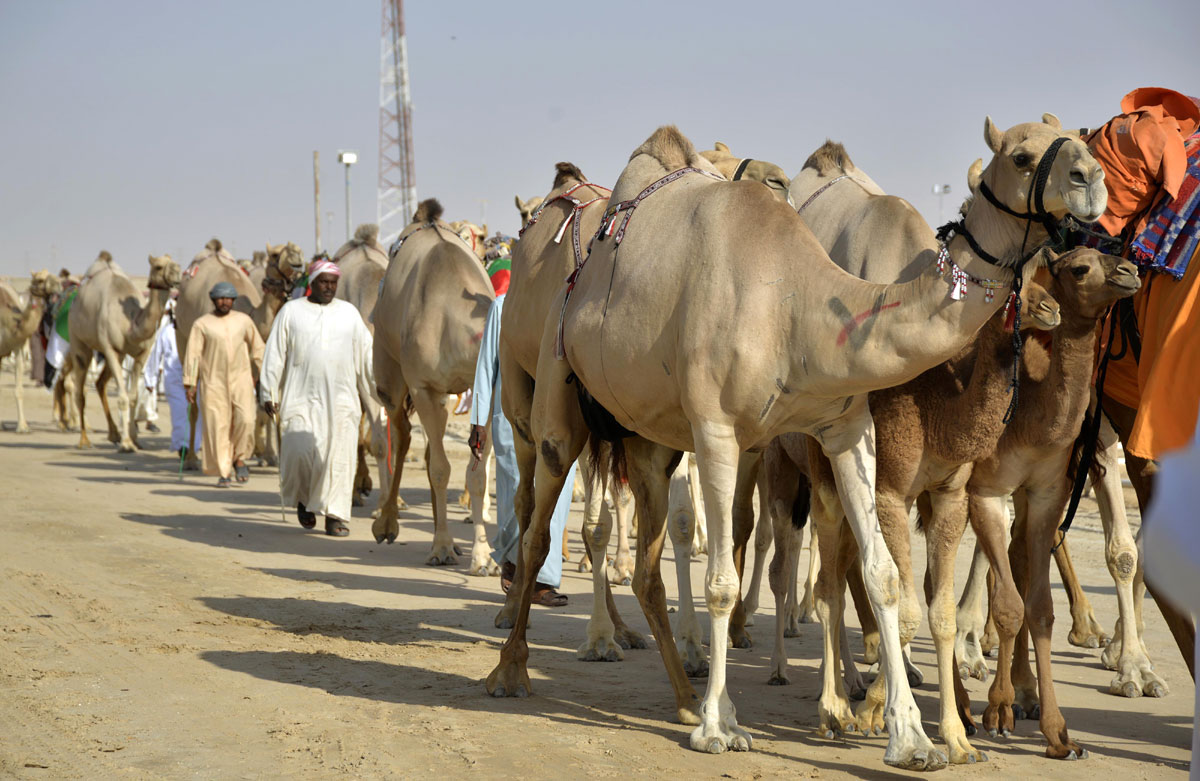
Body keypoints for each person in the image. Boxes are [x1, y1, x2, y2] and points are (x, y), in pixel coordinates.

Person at [468, 257, 573, 607]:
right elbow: (486, 367)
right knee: (516, 491)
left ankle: (543, 579)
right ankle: (514, 566)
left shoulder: (566, 303)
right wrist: (478, 422)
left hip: (559, 416)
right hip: (512, 415)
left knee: (557, 497)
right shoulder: (503, 306)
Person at [259, 259, 374, 537]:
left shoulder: (348, 313)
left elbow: (367, 357)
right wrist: (268, 391)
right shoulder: (291, 312)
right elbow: (275, 353)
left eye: (333, 283)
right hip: (300, 398)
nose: (329, 287)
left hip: (342, 400)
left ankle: (335, 515)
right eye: (324, 282)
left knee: (339, 459)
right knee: (299, 453)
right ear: (312, 282)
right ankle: (303, 500)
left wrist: (380, 389)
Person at [183, 281, 264, 487]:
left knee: (246, 419)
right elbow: (193, 355)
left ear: (233, 300)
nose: (224, 302)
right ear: (213, 300)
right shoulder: (202, 324)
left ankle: (240, 458)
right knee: (218, 426)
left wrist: (266, 372)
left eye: (228, 298)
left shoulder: (244, 321)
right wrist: (190, 382)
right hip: (213, 382)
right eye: (220, 298)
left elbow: (258, 348)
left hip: (241, 379)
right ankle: (224, 470)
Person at [143, 299, 197, 455]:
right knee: (180, 413)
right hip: (174, 379)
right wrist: (151, 379)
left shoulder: (197, 330)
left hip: (195, 379)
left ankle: (195, 446)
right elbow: (155, 355)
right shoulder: (166, 332)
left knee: (197, 415)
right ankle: (183, 447)